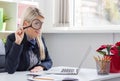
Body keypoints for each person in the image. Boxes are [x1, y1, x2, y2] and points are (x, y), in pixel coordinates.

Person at [5, 6, 53, 74]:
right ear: (26, 24)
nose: (40, 28)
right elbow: (10, 69)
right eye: (37, 23)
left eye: (41, 24)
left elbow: (48, 61)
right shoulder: (12, 38)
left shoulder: (40, 39)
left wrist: (41, 66)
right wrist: (17, 43)